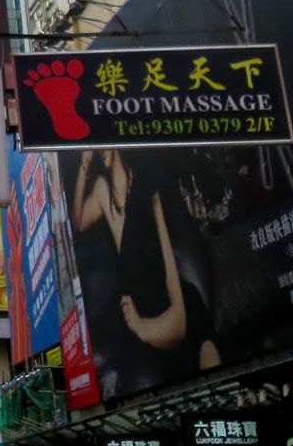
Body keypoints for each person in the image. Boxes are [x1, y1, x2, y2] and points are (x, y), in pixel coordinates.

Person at [71, 147, 221, 375]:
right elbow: (79, 221)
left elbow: (170, 269)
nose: (100, 150)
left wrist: (143, 328)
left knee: (204, 348)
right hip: (141, 300)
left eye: (103, 143)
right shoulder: (103, 189)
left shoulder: (146, 187)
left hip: (173, 301)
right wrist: (84, 165)